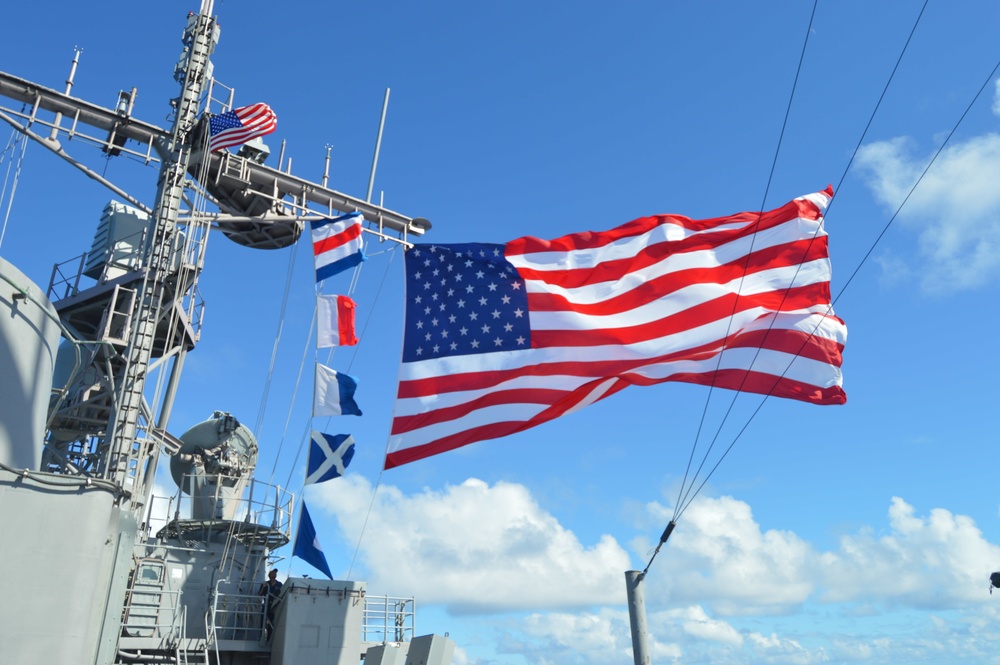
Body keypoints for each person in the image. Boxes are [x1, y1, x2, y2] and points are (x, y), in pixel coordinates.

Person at [258, 568, 283, 640]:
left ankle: (269, 638)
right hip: (266, 605)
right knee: (263, 621)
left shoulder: (279, 584)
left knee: (272, 622)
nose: (272, 576)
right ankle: (261, 636)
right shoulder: (266, 584)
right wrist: (264, 587)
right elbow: (260, 594)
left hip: (274, 606)